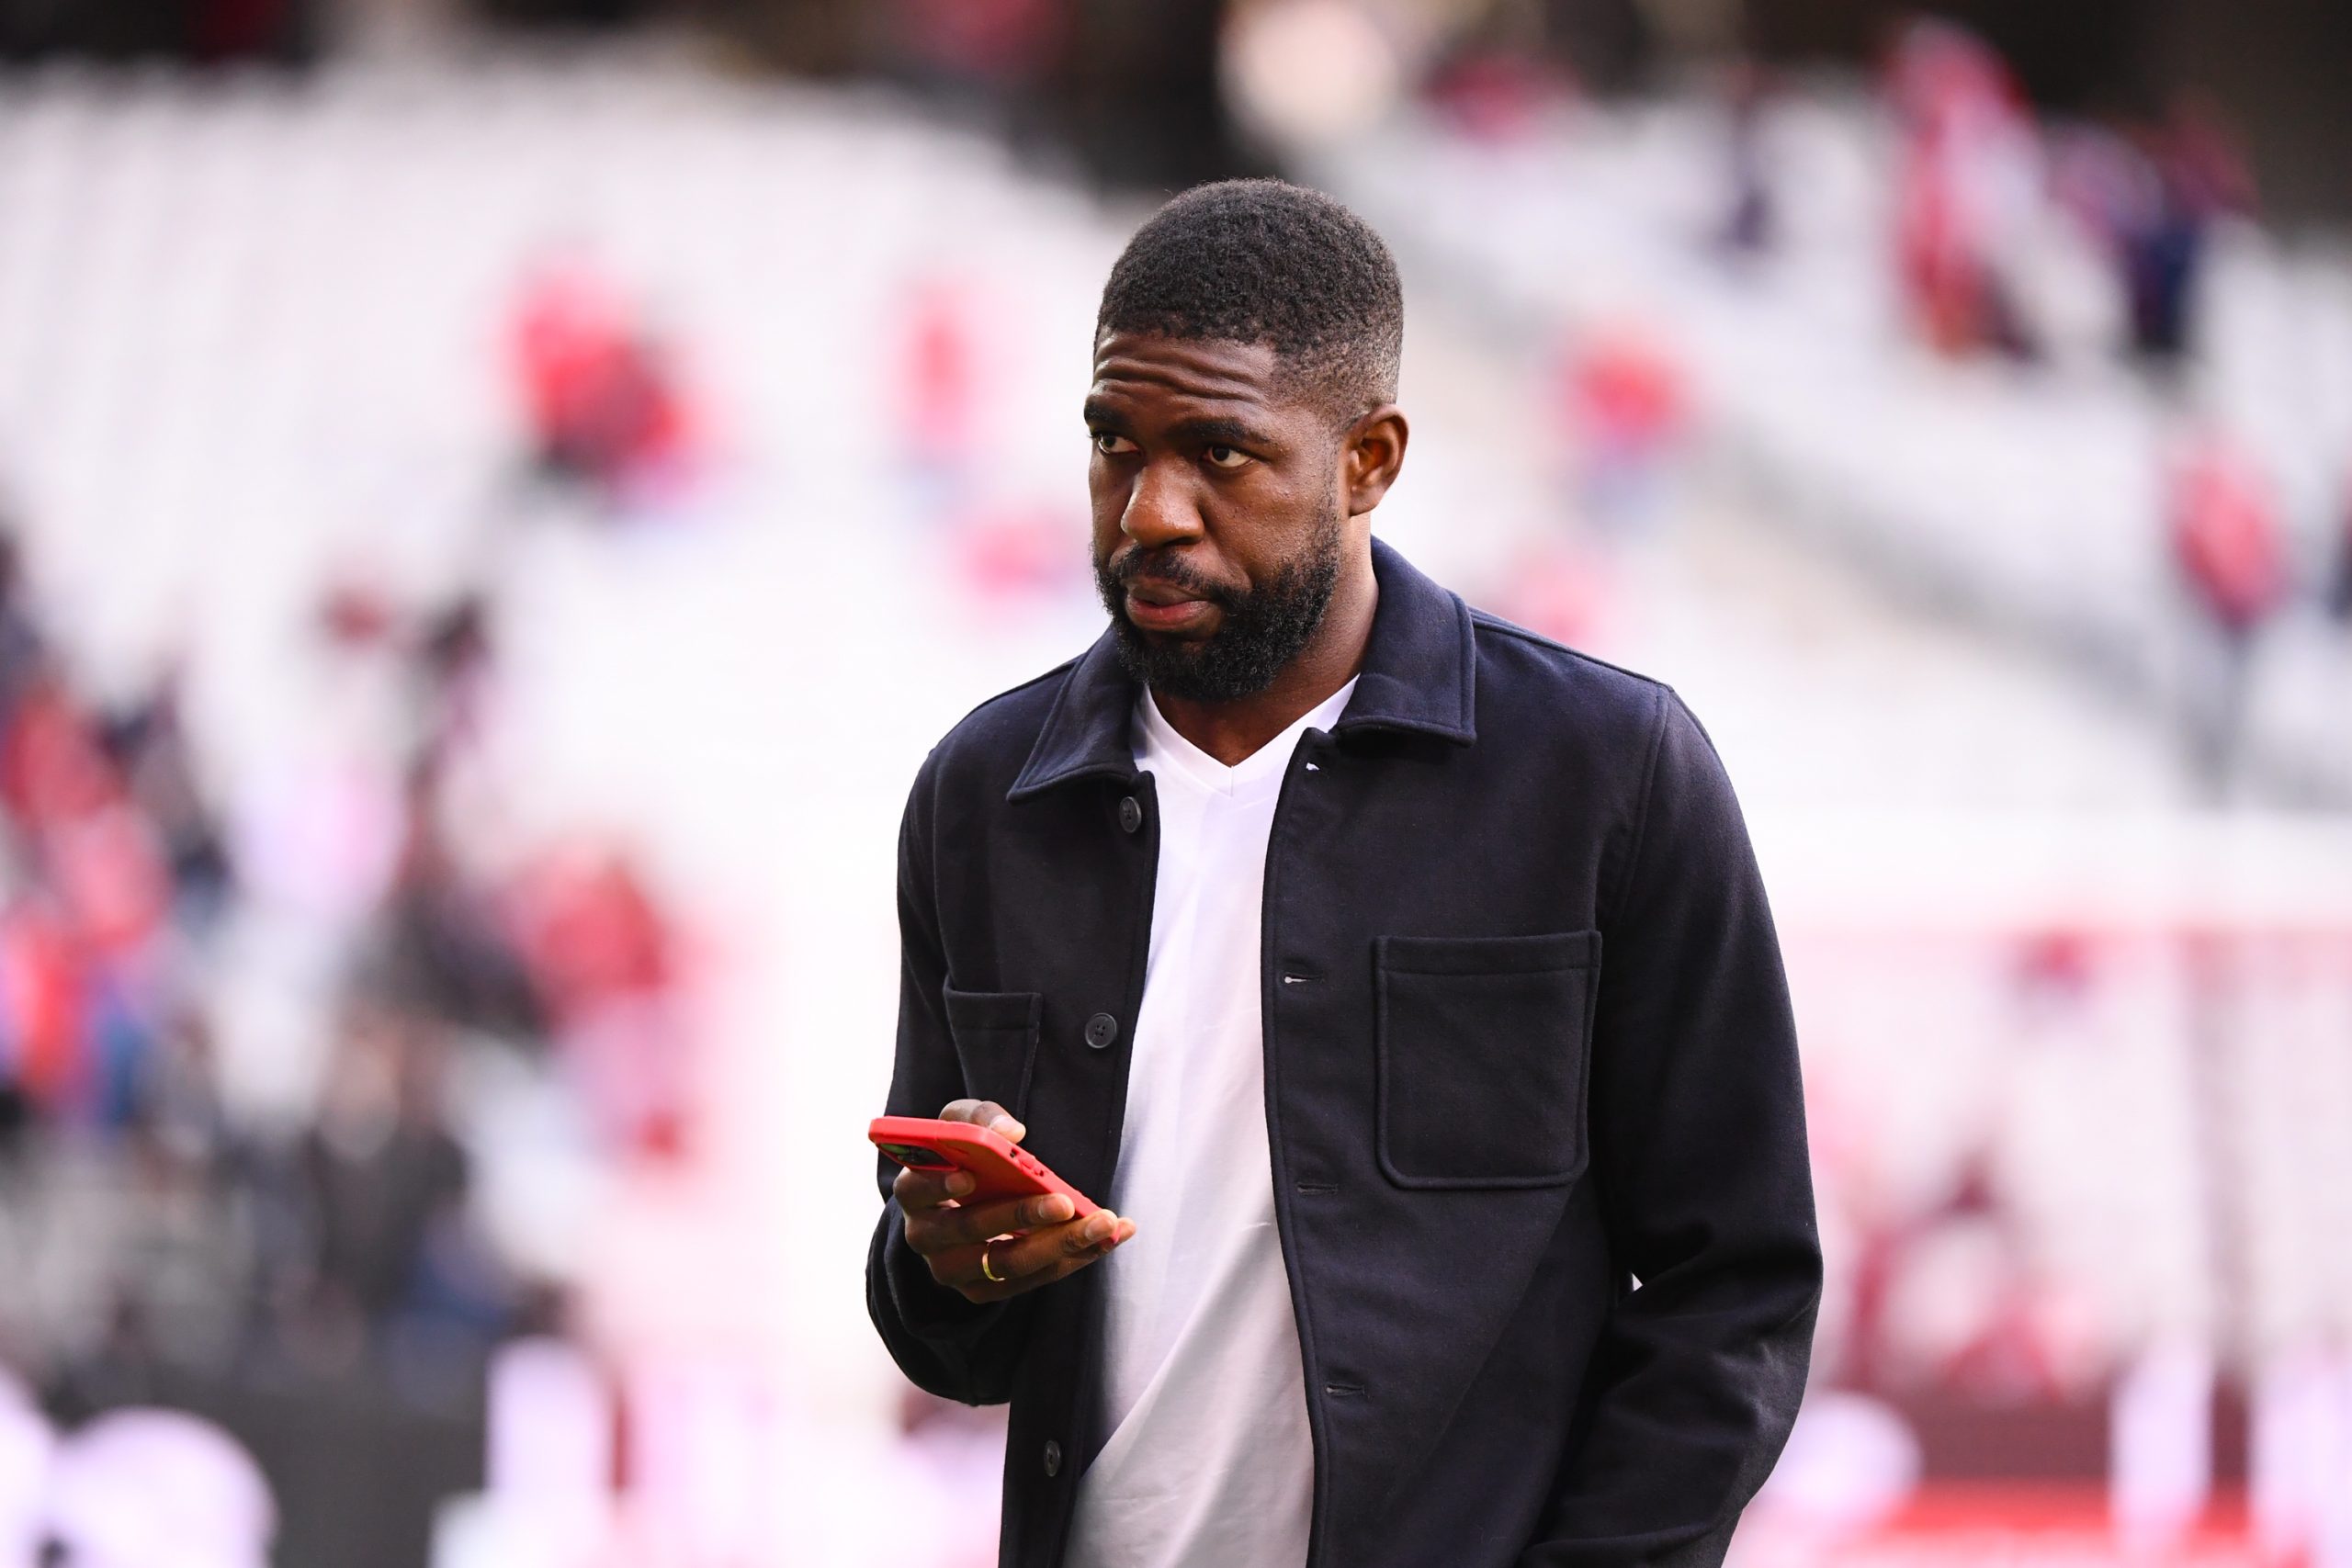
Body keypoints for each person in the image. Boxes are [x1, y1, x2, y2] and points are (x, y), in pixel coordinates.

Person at [865, 179, 1820, 1568]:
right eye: (1112, 443)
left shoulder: (1608, 773)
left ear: (1367, 460)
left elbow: (1733, 1288)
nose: (1148, 512)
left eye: (1220, 454)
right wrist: (950, 1260)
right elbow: (949, 1337)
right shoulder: (985, 795)